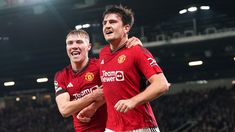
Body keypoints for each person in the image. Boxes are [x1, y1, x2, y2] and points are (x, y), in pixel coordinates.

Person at [54, 29, 143, 131]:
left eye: (79, 42)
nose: (74, 46)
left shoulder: (101, 65)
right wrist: (93, 95)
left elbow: (122, 85)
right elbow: (65, 109)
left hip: (114, 128)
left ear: (89, 47)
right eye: (70, 43)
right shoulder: (61, 76)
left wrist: (135, 49)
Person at [99, 5, 170, 132]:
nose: (107, 26)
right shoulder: (103, 53)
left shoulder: (137, 51)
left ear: (126, 28)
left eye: (113, 22)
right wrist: (93, 107)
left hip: (140, 126)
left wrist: (132, 101)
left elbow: (162, 84)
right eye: (104, 23)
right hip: (112, 127)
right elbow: (109, 88)